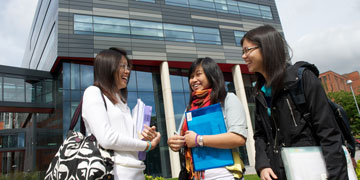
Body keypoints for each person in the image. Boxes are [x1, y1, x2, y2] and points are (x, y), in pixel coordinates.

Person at [240, 25, 348, 180]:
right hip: (281, 173)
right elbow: (260, 135)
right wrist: (263, 164)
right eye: (242, 52)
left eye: (247, 50)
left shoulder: (302, 78)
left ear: (267, 47)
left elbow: (328, 133)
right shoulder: (260, 92)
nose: (244, 56)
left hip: (314, 171)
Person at [82, 47, 161, 180]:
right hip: (112, 172)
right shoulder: (93, 92)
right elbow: (107, 138)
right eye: (122, 66)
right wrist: (147, 145)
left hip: (136, 171)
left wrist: (146, 137)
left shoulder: (122, 102)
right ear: (108, 68)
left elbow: (127, 139)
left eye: (128, 67)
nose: (127, 71)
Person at [167, 57, 248, 180]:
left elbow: (238, 138)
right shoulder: (189, 108)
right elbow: (182, 139)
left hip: (224, 175)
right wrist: (174, 143)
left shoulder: (228, 99)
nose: (193, 80)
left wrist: (199, 139)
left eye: (198, 74)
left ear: (212, 75)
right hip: (195, 175)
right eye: (191, 76)